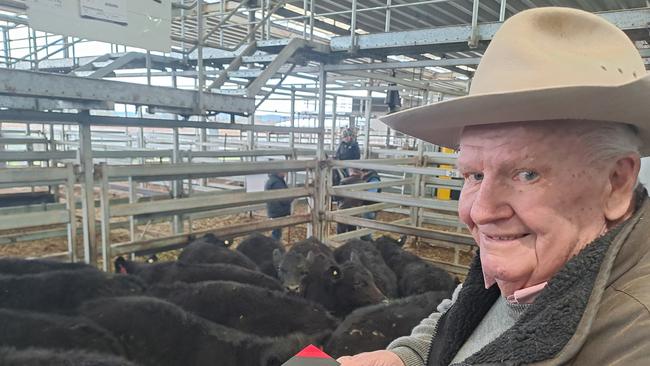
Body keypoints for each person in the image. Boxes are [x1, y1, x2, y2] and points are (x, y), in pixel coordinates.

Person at [337, 7, 650, 366]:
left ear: (616, 182)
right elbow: (463, 314)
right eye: (474, 175)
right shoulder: (544, 265)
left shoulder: (635, 340)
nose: (481, 211)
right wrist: (407, 358)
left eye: (526, 174)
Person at [336, 168, 382, 241]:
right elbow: (367, 197)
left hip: (344, 210)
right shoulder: (364, 183)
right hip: (356, 210)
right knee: (353, 231)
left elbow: (337, 197)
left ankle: (340, 243)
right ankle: (353, 244)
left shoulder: (344, 181)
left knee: (341, 231)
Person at [264, 171, 291, 241]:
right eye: (283, 171)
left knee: (277, 231)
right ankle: (274, 247)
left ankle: (274, 246)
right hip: (278, 211)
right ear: (278, 172)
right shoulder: (277, 182)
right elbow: (284, 198)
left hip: (274, 210)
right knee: (276, 234)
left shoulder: (273, 180)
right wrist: (293, 196)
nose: (285, 173)